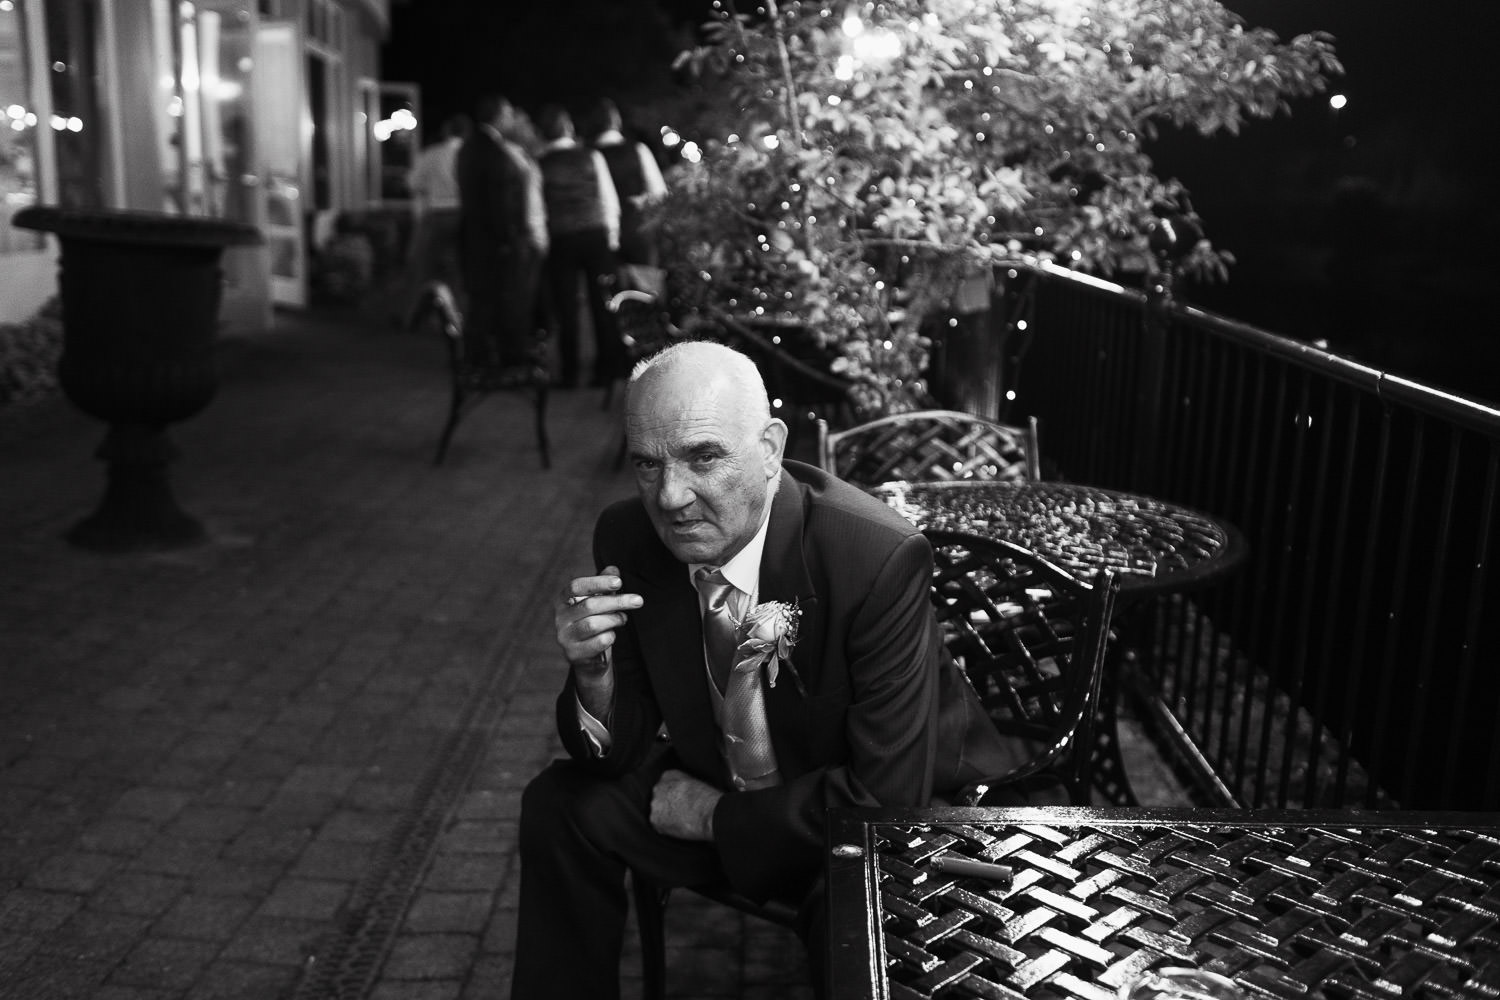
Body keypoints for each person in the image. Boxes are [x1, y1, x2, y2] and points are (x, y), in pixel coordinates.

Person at [511, 340, 1022, 999]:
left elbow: (886, 799)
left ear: (772, 450)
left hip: (868, 818)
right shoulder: (629, 535)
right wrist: (594, 676)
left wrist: (714, 819)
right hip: (717, 778)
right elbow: (621, 751)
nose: (670, 496)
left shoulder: (874, 556)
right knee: (561, 806)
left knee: (857, 915)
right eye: (647, 463)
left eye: (703, 457)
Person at [455, 94, 547, 384]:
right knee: (495, 301)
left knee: (482, 302)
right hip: (494, 242)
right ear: (497, 115)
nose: (510, 119)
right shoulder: (491, 151)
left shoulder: (470, 146)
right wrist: (509, 239)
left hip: (476, 238)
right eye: (507, 114)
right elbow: (499, 201)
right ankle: (489, 363)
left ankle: (479, 360)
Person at [535, 104, 624, 388]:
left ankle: (570, 373)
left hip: (561, 239)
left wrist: (542, 243)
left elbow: (536, 210)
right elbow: (608, 197)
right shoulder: (591, 155)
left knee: (566, 308)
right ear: (569, 129)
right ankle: (605, 371)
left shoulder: (539, 162)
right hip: (595, 235)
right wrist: (611, 237)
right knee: (602, 305)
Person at [402, 113, 469, 326]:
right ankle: (460, 317)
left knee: (422, 267)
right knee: (460, 269)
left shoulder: (432, 154)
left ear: (447, 131)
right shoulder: (468, 155)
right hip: (463, 216)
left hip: (437, 213)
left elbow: (413, 183)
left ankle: (413, 317)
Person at [587, 97, 668, 271]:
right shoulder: (638, 150)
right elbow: (659, 193)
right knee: (646, 289)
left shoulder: (589, 157)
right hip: (639, 231)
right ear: (616, 121)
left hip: (602, 236)